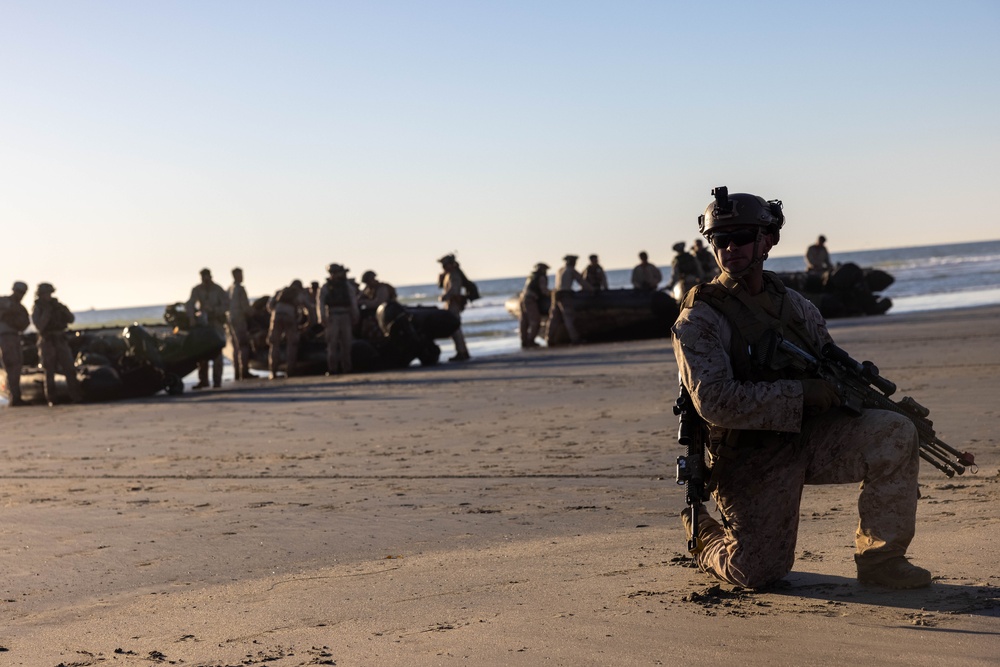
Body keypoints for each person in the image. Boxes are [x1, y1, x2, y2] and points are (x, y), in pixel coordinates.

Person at [671, 186, 929, 590]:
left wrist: (851, 392)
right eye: (720, 240)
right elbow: (715, 401)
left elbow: (829, 365)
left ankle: (882, 559)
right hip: (748, 455)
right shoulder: (700, 317)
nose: (731, 247)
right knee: (757, 572)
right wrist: (801, 394)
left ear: (767, 241)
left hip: (808, 437)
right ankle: (703, 533)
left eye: (742, 237)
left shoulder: (797, 307)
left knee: (895, 431)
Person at [30, 283, 83, 405]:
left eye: (49, 293)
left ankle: (76, 395)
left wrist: (62, 310)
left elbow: (71, 319)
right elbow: (39, 326)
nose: (47, 296)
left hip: (61, 339)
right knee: (49, 370)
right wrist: (47, 313)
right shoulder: (38, 308)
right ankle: (52, 398)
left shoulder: (58, 306)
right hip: (47, 341)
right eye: (45, 294)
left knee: (69, 368)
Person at [186, 268, 229, 389]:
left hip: (216, 323)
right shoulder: (197, 289)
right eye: (203, 277)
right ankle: (203, 380)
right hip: (203, 324)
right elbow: (190, 303)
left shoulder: (218, 289)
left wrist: (215, 310)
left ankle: (217, 381)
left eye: (207, 276)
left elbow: (226, 304)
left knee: (217, 352)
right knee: (202, 352)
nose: (206, 279)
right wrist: (192, 318)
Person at [267, 279, 314, 379]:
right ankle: (290, 371)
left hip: (276, 314)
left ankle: (273, 371)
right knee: (292, 344)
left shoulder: (281, 292)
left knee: (274, 344)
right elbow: (309, 309)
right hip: (289, 315)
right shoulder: (299, 293)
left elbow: (270, 305)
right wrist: (308, 324)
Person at [318, 264, 359, 375]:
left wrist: (355, 315)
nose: (335, 275)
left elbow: (353, 301)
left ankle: (347, 367)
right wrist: (322, 317)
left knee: (346, 343)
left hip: (345, 315)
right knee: (332, 343)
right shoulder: (326, 287)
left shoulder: (346, 286)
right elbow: (321, 303)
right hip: (333, 315)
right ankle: (333, 368)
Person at [549, 254, 593, 345]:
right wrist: (592, 290)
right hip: (565, 295)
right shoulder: (571, 270)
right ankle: (575, 338)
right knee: (568, 317)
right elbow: (581, 281)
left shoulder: (559, 270)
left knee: (554, 318)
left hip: (556, 295)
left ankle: (549, 338)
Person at [0, 281, 31, 406]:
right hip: (5, 336)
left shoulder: (20, 308)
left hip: (14, 336)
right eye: (19, 292)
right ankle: (14, 397)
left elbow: (24, 324)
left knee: (16, 366)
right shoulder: (3, 302)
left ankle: (15, 396)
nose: (21, 295)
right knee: (12, 365)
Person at [438, 254, 471, 361]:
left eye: (445, 264)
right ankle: (462, 351)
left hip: (454, 304)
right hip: (451, 303)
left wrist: (444, 297)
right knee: (454, 329)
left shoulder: (454, 275)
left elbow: (453, 290)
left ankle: (461, 352)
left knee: (455, 329)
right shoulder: (449, 275)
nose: (443, 267)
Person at [226, 267, 256, 380]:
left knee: (235, 347)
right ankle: (244, 371)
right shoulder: (240, 289)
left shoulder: (229, 289)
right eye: (240, 275)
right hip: (239, 319)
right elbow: (245, 307)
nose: (242, 277)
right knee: (243, 345)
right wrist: (254, 313)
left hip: (231, 319)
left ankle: (237, 373)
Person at [519, 263, 550, 349]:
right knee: (535, 321)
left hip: (523, 298)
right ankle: (530, 340)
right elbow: (544, 290)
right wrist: (552, 294)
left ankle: (524, 340)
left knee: (524, 321)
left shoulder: (531, 276)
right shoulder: (541, 277)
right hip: (531, 299)